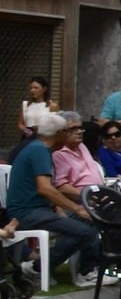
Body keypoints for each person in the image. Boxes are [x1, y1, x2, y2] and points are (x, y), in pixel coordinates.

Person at [6, 113, 98, 282]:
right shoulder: (40, 151)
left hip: (37, 209)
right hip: (27, 212)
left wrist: (64, 209)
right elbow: (45, 188)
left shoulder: (39, 149)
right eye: (67, 131)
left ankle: (40, 266)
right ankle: (40, 268)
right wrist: (76, 208)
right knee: (86, 232)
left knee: (88, 222)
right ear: (59, 133)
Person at [51, 112, 104, 199]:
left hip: (99, 194)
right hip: (80, 201)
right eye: (73, 128)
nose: (79, 132)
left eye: (80, 128)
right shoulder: (58, 153)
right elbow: (60, 186)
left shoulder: (81, 145)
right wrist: (86, 197)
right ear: (62, 131)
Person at [18, 74, 51, 145]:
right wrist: (26, 130)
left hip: (44, 137)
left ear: (44, 89)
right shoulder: (26, 104)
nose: (32, 90)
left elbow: (55, 125)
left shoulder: (51, 105)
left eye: (36, 88)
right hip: (28, 137)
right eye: (31, 88)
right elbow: (20, 123)